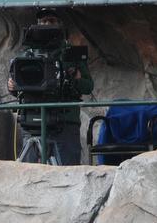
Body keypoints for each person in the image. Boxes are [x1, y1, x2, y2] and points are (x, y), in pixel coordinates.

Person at [8, 10, 93, 166]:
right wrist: (12, 86)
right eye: (43, 21)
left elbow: (88, 87)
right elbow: (18, 88)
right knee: (28, 171)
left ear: (60, 25)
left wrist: (76, 79)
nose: (47, 25)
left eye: (52, 20)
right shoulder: (27, 56)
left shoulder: (71, 55)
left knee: (67, 171)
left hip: (64, 121)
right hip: (33, 121)